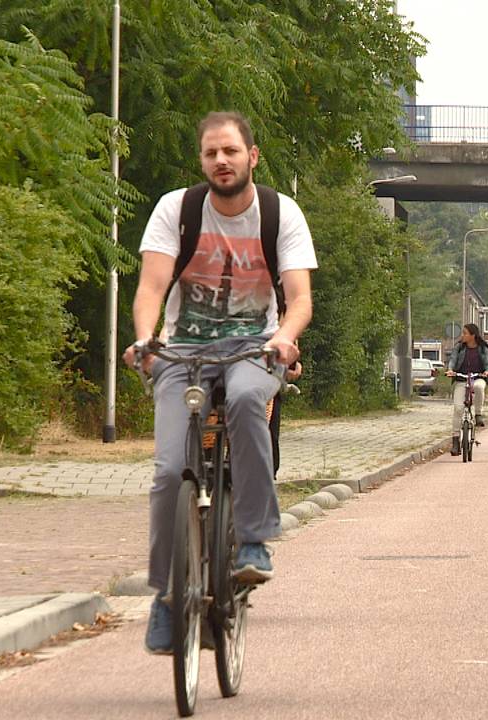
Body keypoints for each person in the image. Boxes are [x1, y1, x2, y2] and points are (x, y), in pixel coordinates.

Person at [122, 111, 317, 655]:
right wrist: (145, 338)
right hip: (183, 352)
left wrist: (285, 336)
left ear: (251, 156)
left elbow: (298, 297)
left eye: (230, 151)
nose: (221, 161)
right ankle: (164, 599)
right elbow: (151, 288)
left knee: (250, 400)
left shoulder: (280, 213)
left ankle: (253, 540)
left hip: (255, 349)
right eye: (211, 153)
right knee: (166, 474)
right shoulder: (176, 210)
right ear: (201, 160)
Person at [446, 323, 488, 455]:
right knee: (458, 408)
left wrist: (487, 372)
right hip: (462, 379)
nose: (463, 335)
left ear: (473, 335)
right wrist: (450, 370)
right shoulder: (459, 348)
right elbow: (453, 361)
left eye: (465, 333)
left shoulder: (483, 348)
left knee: (478, 387)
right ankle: (456, 441)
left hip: (478, 377)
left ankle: (478, 414)